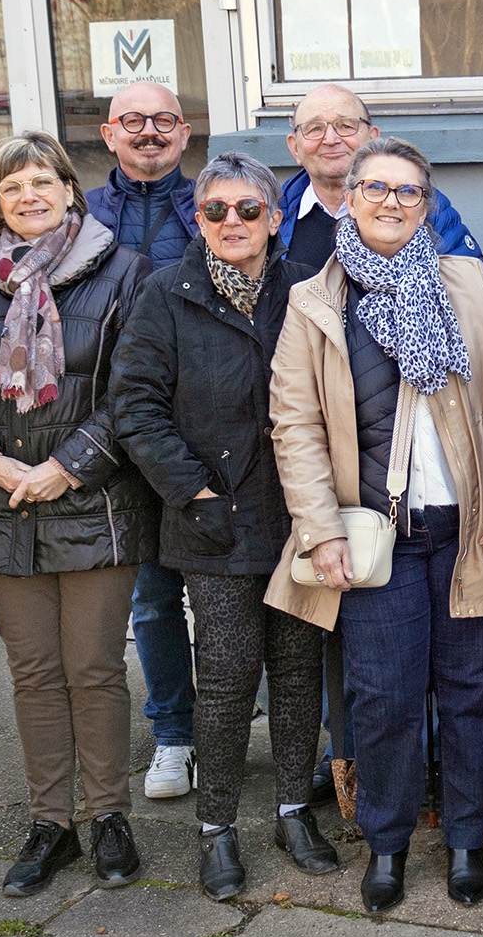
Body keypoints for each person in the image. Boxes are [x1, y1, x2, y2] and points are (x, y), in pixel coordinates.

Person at [270, 135, 483, 913]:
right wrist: (320, 529)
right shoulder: (314, 302)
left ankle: (466, 840)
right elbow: (295, 425)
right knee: (383, 699)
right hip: (376, 540)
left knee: (473, 694)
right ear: (349, 199)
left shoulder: (470, 283)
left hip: (475, 530)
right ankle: (386, 844)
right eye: (376, 189)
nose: (392, 202)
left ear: (427, 205)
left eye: (408, 191)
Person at [0, 131, 157, 898]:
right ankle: (50, 824)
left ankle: (108, 817)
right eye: (12, 186)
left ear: (69, 189)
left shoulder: (124, 271)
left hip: (95, 503)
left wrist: (67, 467)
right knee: (33, 673)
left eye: (41, 181)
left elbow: (135, 389)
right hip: (5, 504)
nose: (28, 195)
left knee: (93, 670)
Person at [114, 152, 333, 899]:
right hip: (213, 519)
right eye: (216, 210)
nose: (232, 222)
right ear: (198, 219)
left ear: (275, 217)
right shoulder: (166, 292)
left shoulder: (308, 286)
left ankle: (294, 812)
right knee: (229, 675)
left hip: (300, 514)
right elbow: (135, 407)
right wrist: (194, 492)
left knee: (299, 671)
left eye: (248, 209)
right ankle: (216, 829)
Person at [87, 81, 201, 808]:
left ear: (184, 133)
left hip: (205, 428)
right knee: (153, 599)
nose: (148, 132)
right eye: (133, 120)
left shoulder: (214, 205)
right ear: (109, 134)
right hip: (116, 434)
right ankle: (173, 735)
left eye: (163, 120)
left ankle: (223, 721)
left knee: (225, 598)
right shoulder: (82, 216)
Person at [274, 84, 482, 282]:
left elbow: (472, 284)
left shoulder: (422, 206)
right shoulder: (274, 215)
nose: (330, 139)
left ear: (372, 138)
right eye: (314, 129)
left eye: (346, 125)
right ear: (295, 147)